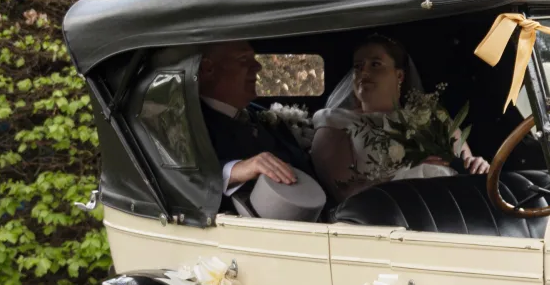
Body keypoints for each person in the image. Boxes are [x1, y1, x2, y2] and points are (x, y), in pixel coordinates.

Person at [311, 35, 490, 202]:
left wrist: (477, 166)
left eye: (375, 64)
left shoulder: (433, 116)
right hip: (392, 211)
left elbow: (464, 164)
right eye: (358, 66)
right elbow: (345, 193)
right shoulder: (333, 122)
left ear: (400, 75)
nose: (363, 72)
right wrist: (408, 171)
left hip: (455, 203)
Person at [197, 40, 319, 208]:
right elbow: (179, 178)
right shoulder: (188, 121)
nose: (257, 66)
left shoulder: (262, 114)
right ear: (207, 68)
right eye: (243, 59)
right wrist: (236, 170)